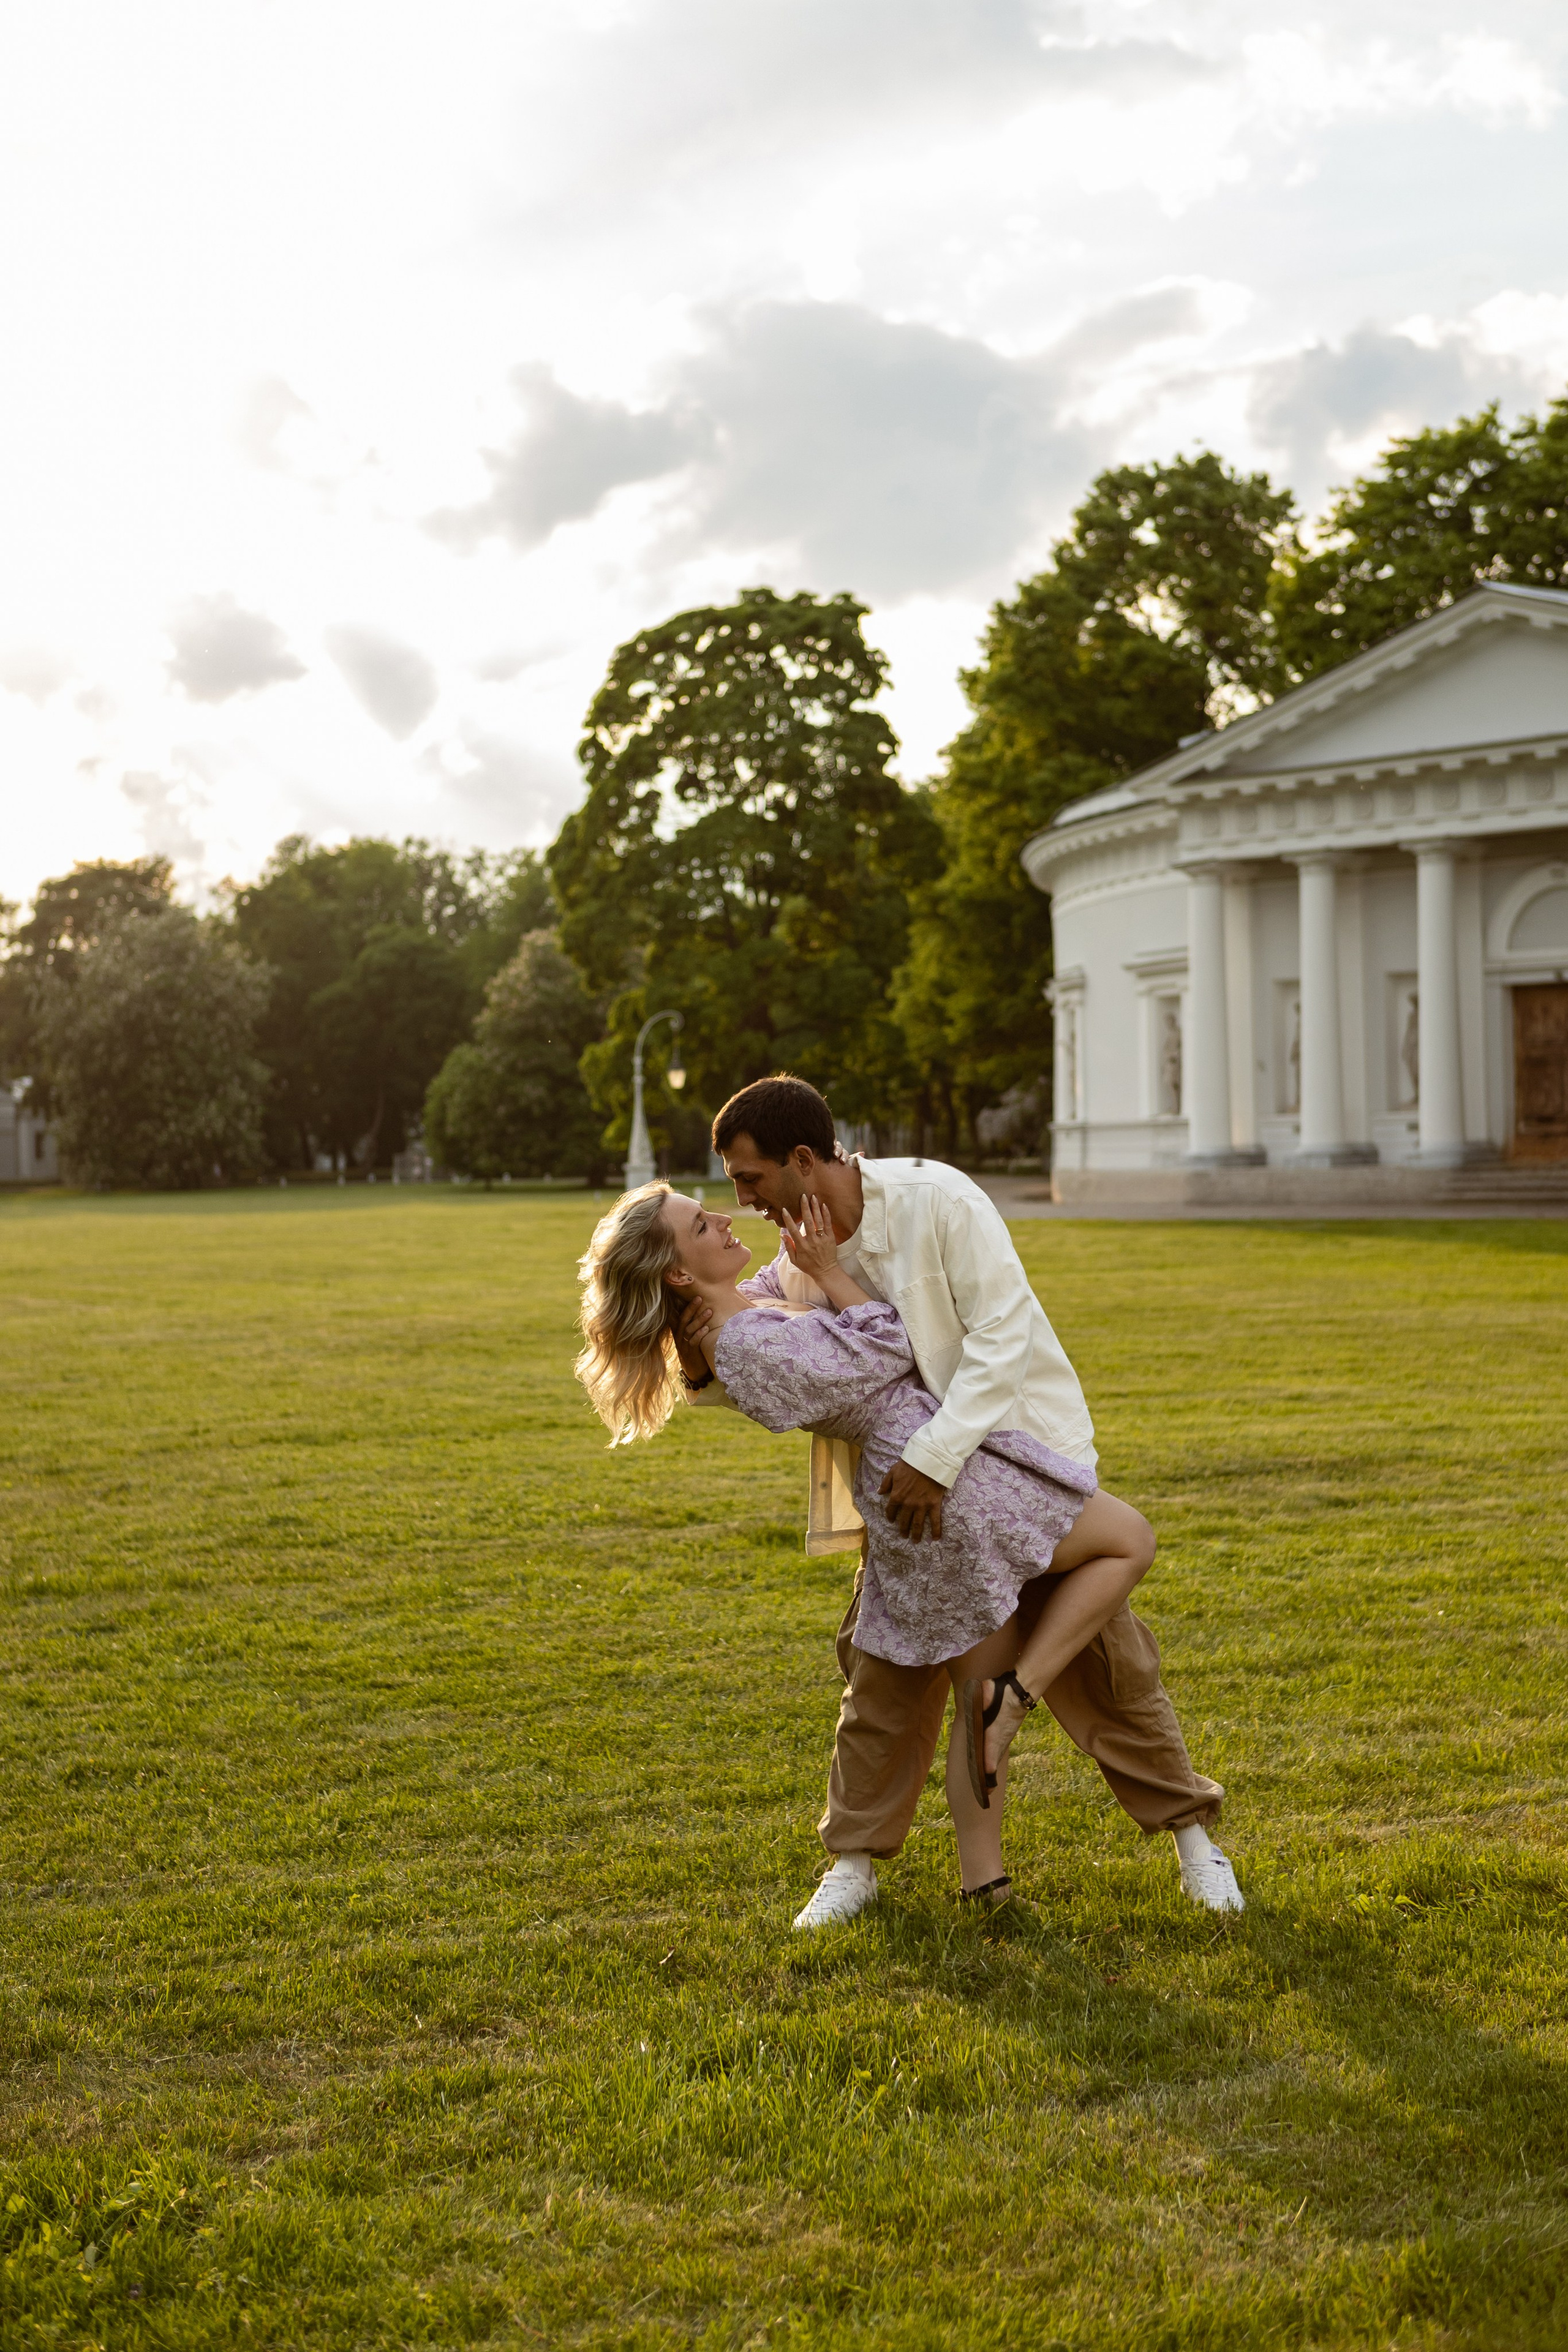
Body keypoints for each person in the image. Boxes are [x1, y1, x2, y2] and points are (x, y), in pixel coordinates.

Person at [680, 1074, 1243, 1928]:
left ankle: (1195, 1846)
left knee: (1112, 1672)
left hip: (1015, 1460)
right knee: (886, 1679)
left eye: (749, 1178)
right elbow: (769, 1352)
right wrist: (692, 1357)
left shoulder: (936, 1199)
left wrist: (939, 1460)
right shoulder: (798, 1247)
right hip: (907, 1495)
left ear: (803, 1159)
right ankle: (859, 1866)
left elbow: (1003, 1337)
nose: (742, 1200)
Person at [576, 1181, 1161, 1913]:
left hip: (932, 1471)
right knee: (1128, 1540)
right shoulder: (747, 1344)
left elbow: (762, 1296)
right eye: (701, 1223)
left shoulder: (741, 1310)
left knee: (977, 1681)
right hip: (932, 1481)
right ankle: (1021, 1696)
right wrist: (828, 1272)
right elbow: (889, 1343)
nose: (724, 1218)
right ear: (678, 1272)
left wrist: (789, 1276)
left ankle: (986, 1880)